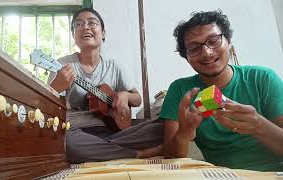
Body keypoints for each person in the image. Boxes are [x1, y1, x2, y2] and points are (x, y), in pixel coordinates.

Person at [160, 10, 283, 171]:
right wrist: (183, 135)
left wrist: (258, 125)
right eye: (194, 48)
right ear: (187, 56)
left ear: (229, 41)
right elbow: (169, 159)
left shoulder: (263, 78)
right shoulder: (181, 90)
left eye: (214, 40)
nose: (207, 52)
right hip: (222, 175)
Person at [48, 8, 163, 163]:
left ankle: (102, 150)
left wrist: (125, 95)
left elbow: (137, 100)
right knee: (66, 141)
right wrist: (56, 87)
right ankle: (137, 154)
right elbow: (46, 108)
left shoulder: (115, 66)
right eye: (78, 25)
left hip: (114, 132)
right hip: (76, 132)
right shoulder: (61, 65)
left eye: (92, 23)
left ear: (103, 33)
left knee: (161, 127)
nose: (85, 27)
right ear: (73, 36)